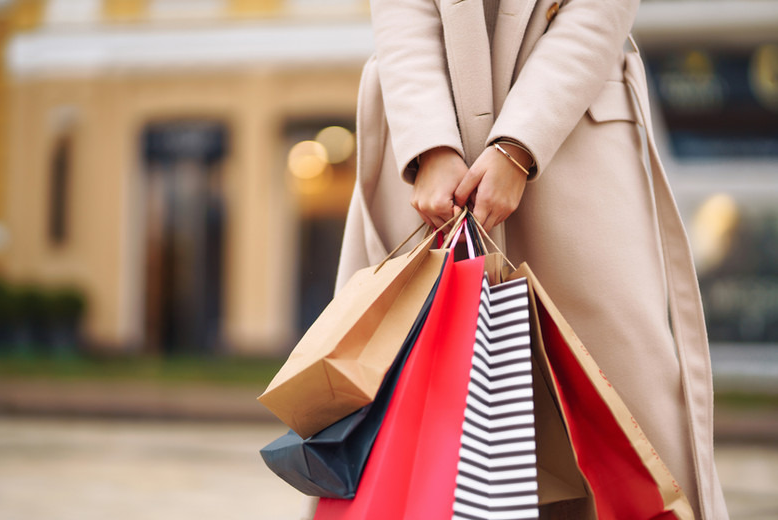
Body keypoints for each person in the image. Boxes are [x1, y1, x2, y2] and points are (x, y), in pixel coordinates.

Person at [306, 0, 730, 518]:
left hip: (575, 138)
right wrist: (429, 145)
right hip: (429, 151)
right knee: (399, 410)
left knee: (625, 412)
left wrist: (519, 144)